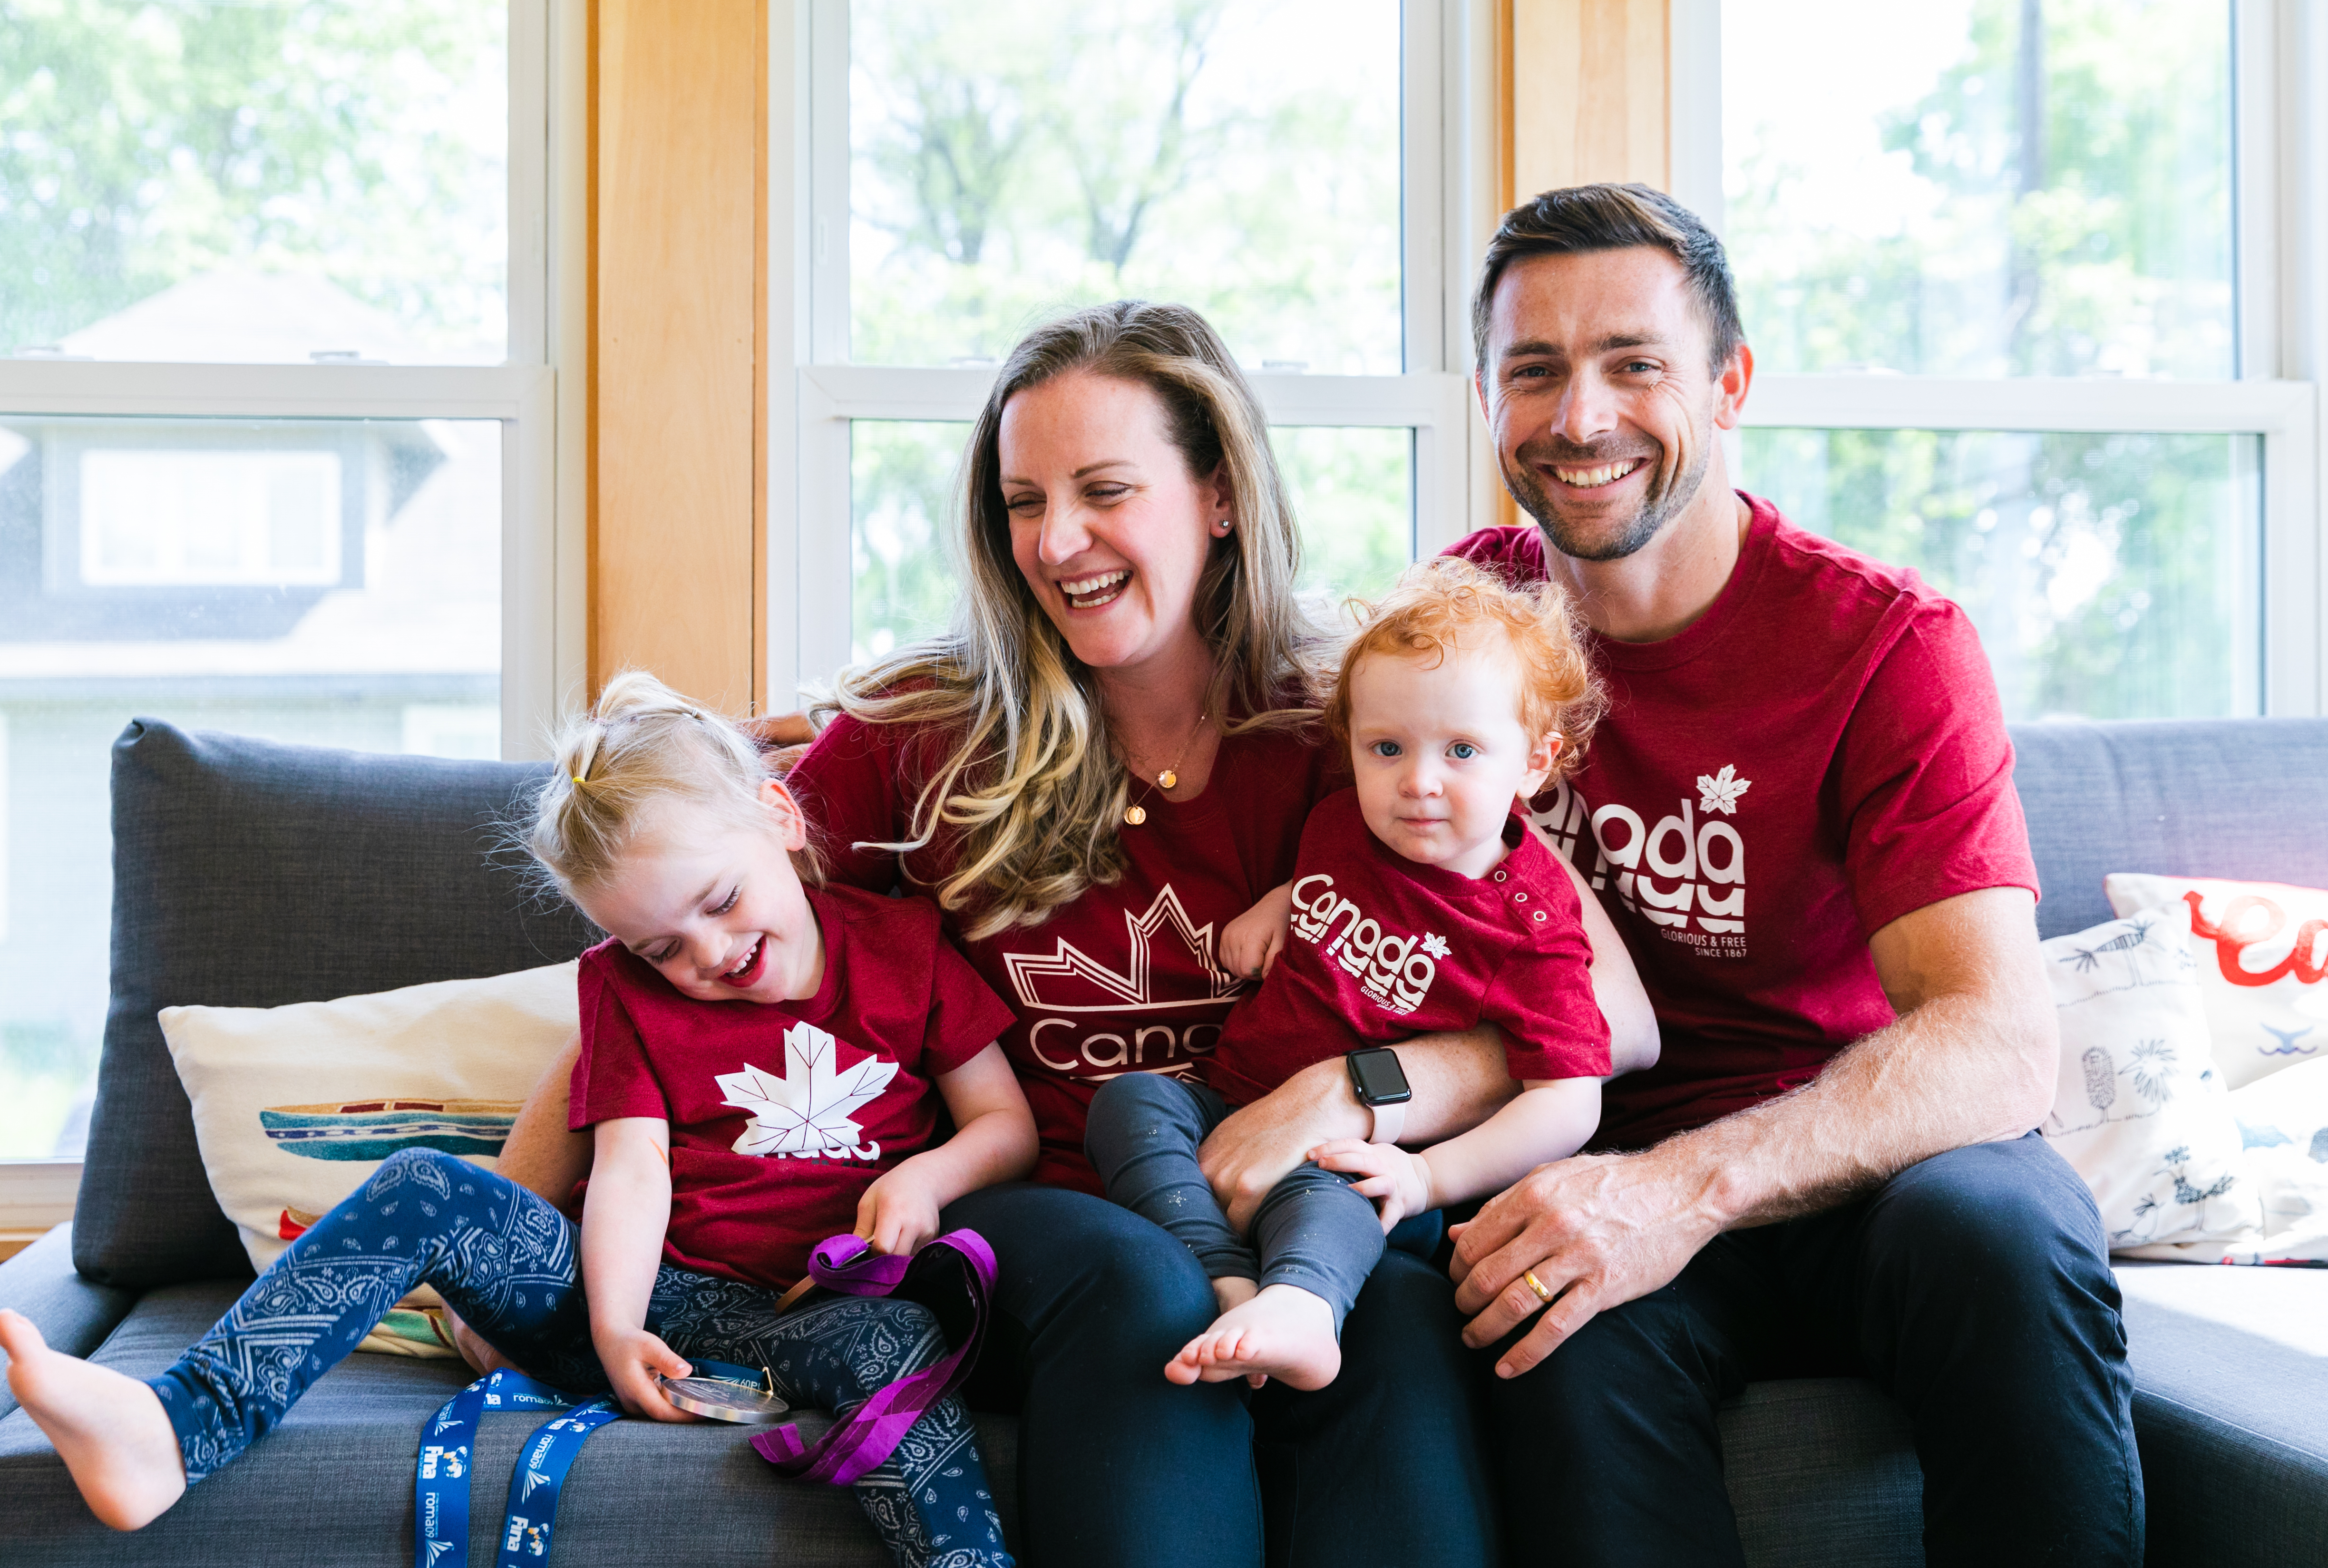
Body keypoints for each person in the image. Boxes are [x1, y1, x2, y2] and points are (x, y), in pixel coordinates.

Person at [482, 299, 1660, 1568]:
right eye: (1022, 501)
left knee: (1395, 1312)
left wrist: (1353, 1090)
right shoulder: (916, 736)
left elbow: (1616, 1025)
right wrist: (493, 1235)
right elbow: (668, 961)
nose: (1056, 541)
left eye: (1104, 489)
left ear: (1217, 494)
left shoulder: (1360, 726)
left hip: (1285, 1195)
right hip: (1034, 1210)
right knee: (1137, 1282)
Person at [1430, 183, 2138, 1566]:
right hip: (1596, 1163)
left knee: (2002, 1231)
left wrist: (1684, 1188)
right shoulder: (1464, 625)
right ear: (1486, 396)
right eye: (1535, 370)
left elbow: (1996, 1045)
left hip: (1872, 1168)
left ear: (1732, 381)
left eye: (1634, 363)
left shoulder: (1886, 643)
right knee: (1542, 1306)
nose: (1580, 418)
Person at [0, 671, 1037, 1568]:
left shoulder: (904, 945)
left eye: (719, 900)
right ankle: (178, 1427)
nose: (707, 954)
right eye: (661, 944)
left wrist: (927, 1177)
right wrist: (616, 1328)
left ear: (780, 815)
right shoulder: (624, 993)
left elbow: (1004, 1122)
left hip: (821, 1309)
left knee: (896, 1339)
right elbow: (632, 1171)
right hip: (654, 1301)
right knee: (424, 1185)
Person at [1085, 556, 1612, 1394]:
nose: (1419, 782)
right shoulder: (1341, 825)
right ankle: (1226, 1276)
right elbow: (1361, 892)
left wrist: (1428, 1175)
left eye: (1463, 750)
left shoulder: (1529, 927)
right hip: (1235, 1101)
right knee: (1128, 1101)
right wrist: (1284, 899)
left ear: (1534, 763)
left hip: (1361, 1158)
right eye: (1387, 747)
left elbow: (1570, 1097)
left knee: (1337, 1201)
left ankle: (1302, 1307)